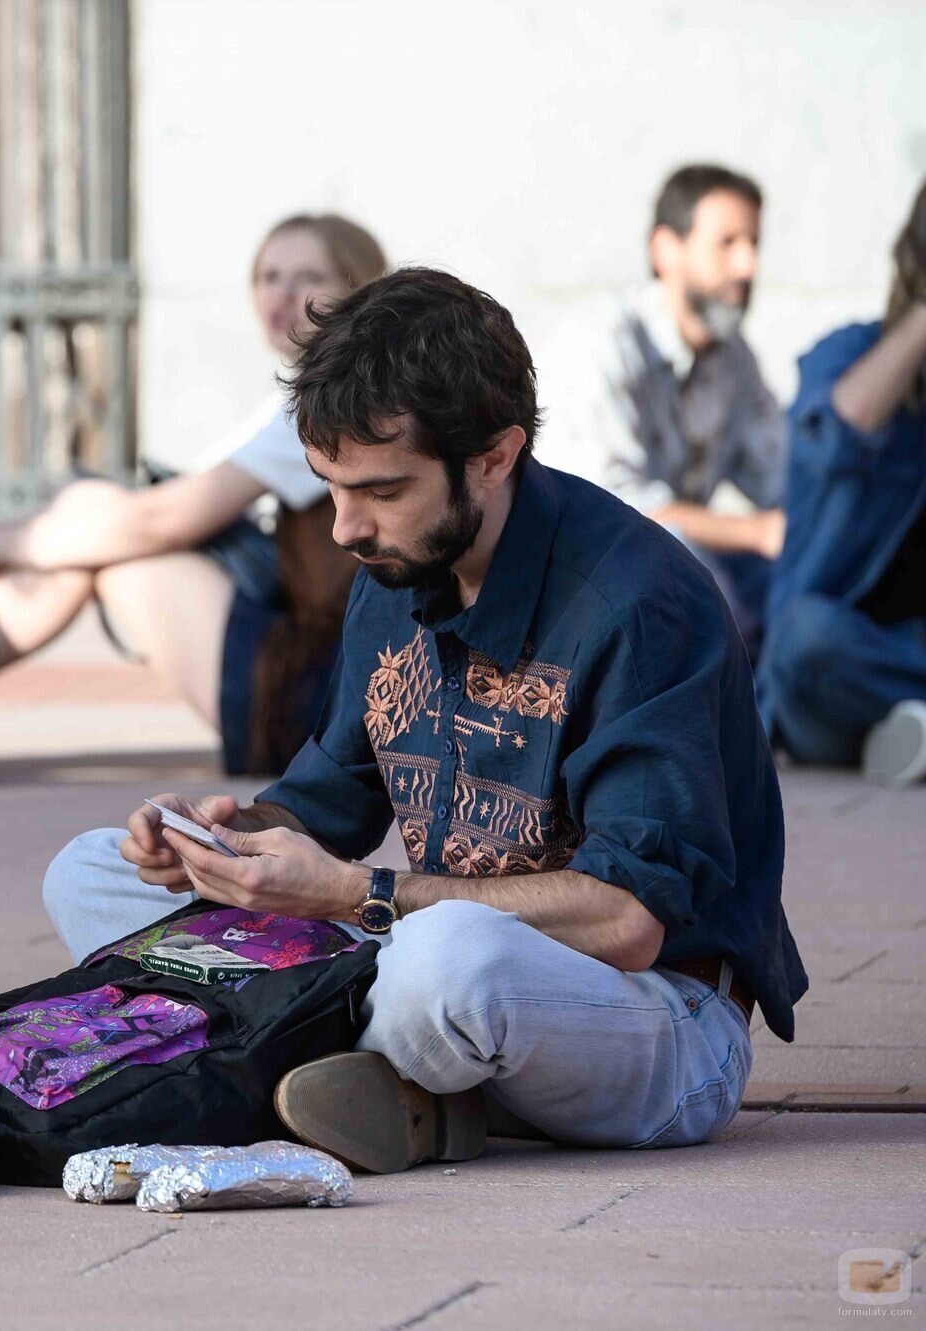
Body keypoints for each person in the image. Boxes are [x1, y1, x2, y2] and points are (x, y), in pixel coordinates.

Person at [42, 268, 805, 1174]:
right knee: (89, 872)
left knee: (444, 967)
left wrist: (350, 896)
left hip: (654, 1015)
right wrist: (219, 840)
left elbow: (628, 919)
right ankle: (388, 1085)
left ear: (494, 454)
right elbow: (323, 808)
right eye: (331, 487)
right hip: (420, 961)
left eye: (381, 490)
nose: (343, 528)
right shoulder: (395, 569)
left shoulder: (637, 603)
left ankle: (321, 1066)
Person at [0, 215, 387, 775]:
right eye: (268, 276)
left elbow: (161, 521)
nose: (282, 295)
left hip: (324, 703)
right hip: (331, 682)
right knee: (92, 518)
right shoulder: (312, 393)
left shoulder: (339, 402)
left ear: (358, 290)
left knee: (107, 547)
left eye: (308, 276)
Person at [543, 164, 786, 649]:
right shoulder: (603, 343)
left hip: (673, 582)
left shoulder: (736, 358)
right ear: (665, 250)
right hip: (580, 589)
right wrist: (758, 531)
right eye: (728, 243)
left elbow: (782, 480)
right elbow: (616, 514)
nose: (748, 266)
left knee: (804, 587)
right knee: (686, 558)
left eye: (754, 244)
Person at [759, 178, 926, 785]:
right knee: (805, 636)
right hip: (839, 668)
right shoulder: (847, 353)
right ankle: (905, 724)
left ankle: (908, 732)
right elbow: (830, 437)